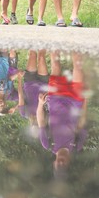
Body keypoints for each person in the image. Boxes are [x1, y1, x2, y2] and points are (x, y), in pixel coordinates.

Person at [36, 50, 88, 179]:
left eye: (58, 166)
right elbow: (81, 121)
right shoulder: (77, 145)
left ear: (54, 164)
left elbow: (41, 122)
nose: (60, 163)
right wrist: (85, 101)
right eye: (63, 166)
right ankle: (75, 38)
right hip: (75, 101)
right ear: (68, 164)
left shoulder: (47, 144)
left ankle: (58, 35)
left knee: (55, 65)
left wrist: (40, 104)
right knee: (77, 66)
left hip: (55, 98)